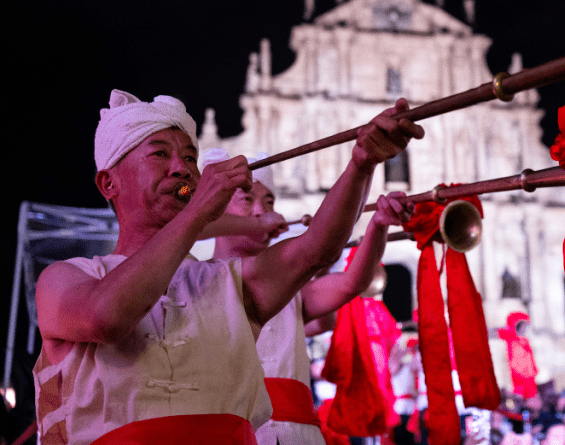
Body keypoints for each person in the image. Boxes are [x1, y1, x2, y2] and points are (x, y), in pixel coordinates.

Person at [33, 90, 423, 445]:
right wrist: (199, 212)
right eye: (159, 154)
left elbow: (315, 250)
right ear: (108, 184)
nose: (182, 169)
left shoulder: (225, 282)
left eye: (189, 157)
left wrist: (362, 163)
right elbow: (106, 316)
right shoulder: (66, 278)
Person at [203, 148, 413, 445]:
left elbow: (351, 283)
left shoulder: (292, 292)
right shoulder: (196, 280)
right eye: (247, 200)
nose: (263, 211)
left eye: (269, 201)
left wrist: (378, 224)